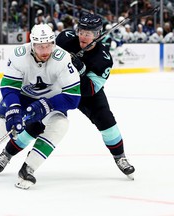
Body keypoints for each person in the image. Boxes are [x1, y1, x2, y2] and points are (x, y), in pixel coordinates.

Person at [0, 23, 81, 189]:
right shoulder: (19, 55)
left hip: (51, 102)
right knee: (0, 127)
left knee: (61, 125)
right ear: (32, 45)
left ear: (53, 43)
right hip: (23, 97)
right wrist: (14, 107)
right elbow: (8, 86)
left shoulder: (62, 59)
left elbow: (73, 98)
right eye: (40, 47)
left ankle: (29, 168)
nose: (45, 51)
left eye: (49, 46)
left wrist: (46, 105)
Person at [55, 13, 135, 180]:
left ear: (97, 35)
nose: (83, 36)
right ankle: (8, 153)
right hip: (59, 87)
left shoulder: (103, 58)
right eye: (81, 31)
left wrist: (81, 70)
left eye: (88, 33)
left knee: (107, 120)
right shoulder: (65, 38)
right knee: (37, 118)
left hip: (86, 94)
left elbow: (90, 89)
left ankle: (120, 157)